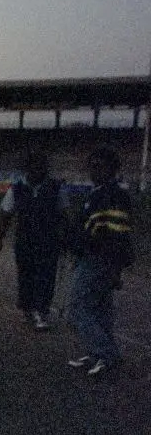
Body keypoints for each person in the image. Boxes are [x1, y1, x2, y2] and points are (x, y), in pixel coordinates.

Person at [65, 145, 135, 376]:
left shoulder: (112, 196)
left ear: (112, 168)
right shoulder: (98, 193)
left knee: (77, 308)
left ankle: (104, 352)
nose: (94, 169)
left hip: (100, 260)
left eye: (100, 165)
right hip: (91, 257)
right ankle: (101, 355)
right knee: (100, 310)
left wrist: (116, 269)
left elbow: (117, 237)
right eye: (92, 164)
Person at [0, 150, 69, 330]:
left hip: (49, 241)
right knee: (26, 275)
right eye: (33, 166)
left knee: (46, 276)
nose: (37, 169)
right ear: (27, 168)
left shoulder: (56, 187)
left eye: (41, 166)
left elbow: (65, 215)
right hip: (25, 240)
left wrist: (66, 238)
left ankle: (41, 312)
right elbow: (6, 214)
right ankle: (28, 309)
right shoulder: (17, 188)